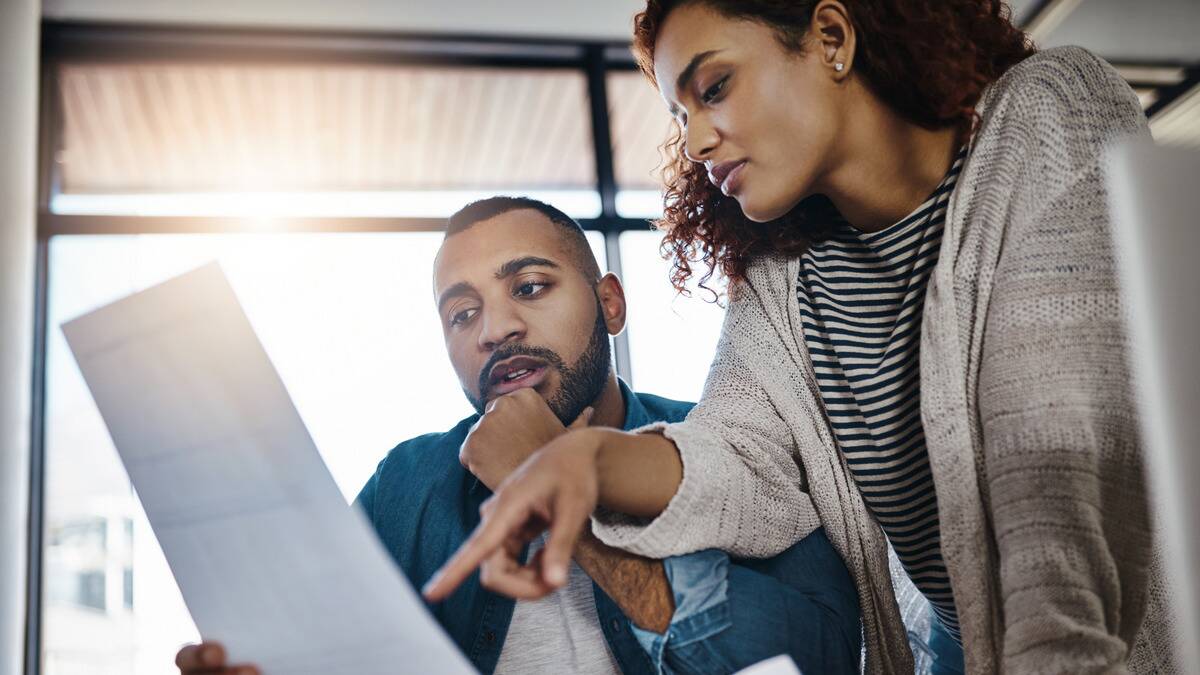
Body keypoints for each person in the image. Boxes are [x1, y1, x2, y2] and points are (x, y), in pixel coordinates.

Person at [424, 2, 1177, 674]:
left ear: (831, 37)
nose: (696, 142)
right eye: (681, 117)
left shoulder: (1048, 112)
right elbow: (737, 454)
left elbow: (1057, 470)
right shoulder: (785, 277)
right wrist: (589, 457)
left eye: (713, 88)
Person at [174, 196, 862, 675]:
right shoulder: (407, 483)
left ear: (611, 303)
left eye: (529, 287)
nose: (493, 329)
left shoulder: (729, 440)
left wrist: (555, 482)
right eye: (462, 313)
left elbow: (822, 657)